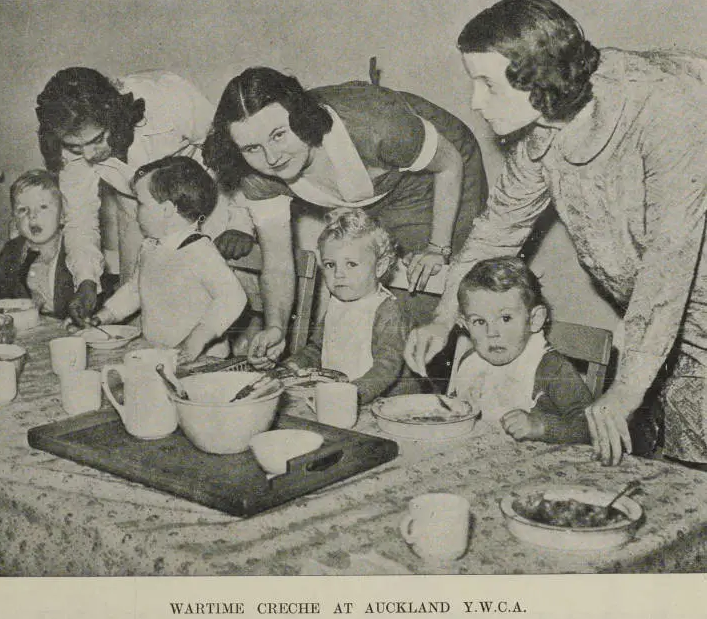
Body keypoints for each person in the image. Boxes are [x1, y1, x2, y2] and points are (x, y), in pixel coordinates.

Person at [405, 0, 707, 467]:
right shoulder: (545, 132)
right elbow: (494, 232)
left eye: (487, 83)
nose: (474, 102)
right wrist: (446, 315)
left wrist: (626, 387)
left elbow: (667, 264)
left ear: (537, 77)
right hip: (681, 334)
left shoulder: (667, 106)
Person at [205, 67, 488, 368]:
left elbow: (449, 164)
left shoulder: (376, 125)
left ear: (300, 116)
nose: (272, 158)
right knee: (365, 285)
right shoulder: (258, 174)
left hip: (439, 174)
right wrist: (276, 327)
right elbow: (277, 262)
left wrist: (438, 249)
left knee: (422, 295)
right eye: (252, 148)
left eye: (278, 135)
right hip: (378, 185)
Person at [36, 67, 254, 326]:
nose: (88, 156)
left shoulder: (169, 98)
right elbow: (80, 219)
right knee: (137, 310)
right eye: (74, 146)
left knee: (202, 307)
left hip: (208, 196)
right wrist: (86, 280)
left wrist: (240, 222)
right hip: (138, 207)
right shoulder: (75, 149)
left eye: (96, 140)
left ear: (113, 116)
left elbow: (231, 150)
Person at [92, 157, 246, 362]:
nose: (135, 209)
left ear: (166, 209)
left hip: (201, 360)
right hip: (161, 355)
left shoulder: (198, 251)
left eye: (140, 202)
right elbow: (135, 290)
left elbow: (233, 297)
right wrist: (105, 315)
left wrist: (197, 340)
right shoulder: (151, 247)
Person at [283, 208, 419, 404]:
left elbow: (387, 367)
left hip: (384, 403)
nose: (339, 274)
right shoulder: (337, 303)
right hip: (340, 398)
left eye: (351, 264)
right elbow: (317, 348)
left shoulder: (387, 310)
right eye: (330, 265)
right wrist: (297, 362)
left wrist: (354, 394)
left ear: (379, 267)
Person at [450, 257, 591, 443]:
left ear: (535, 319)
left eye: (506, 318)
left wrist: (541, 427)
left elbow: (589, 426)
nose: (491, 333)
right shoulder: (470, 361)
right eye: (479, 321)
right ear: (465, 324)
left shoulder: (552, 368)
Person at [0, 170, 110, 318]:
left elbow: (94, 296)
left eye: (43, 207)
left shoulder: (75, 252)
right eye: (23, 210)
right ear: (15, 221)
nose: (32, 216)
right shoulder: (14, 249)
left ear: (63, 216)